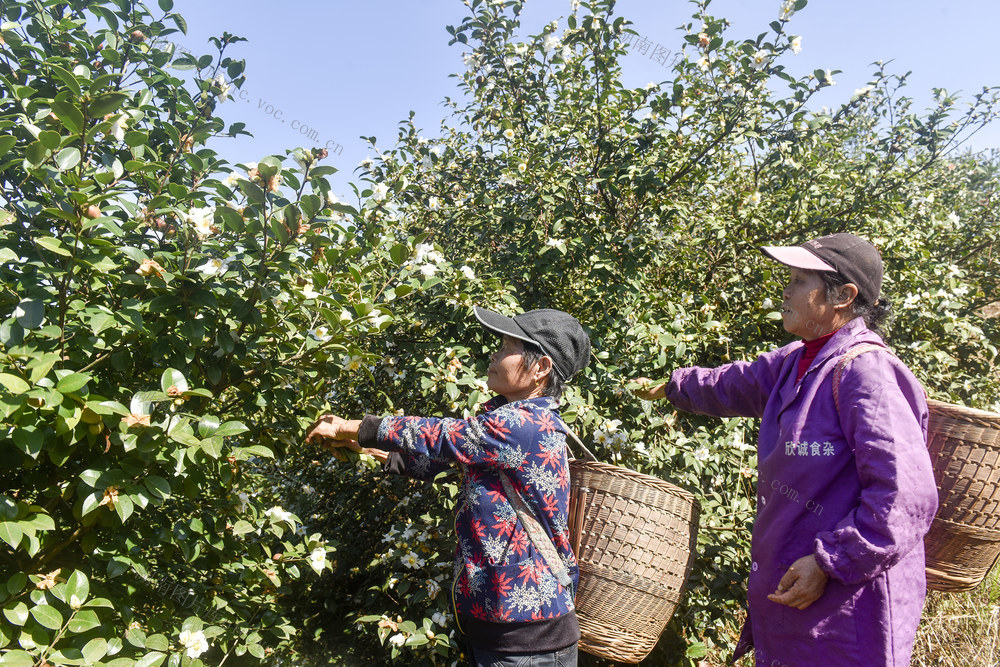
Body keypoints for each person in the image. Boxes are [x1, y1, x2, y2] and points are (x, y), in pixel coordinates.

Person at [634, 233, 938, 666]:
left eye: (799, 280)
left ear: (843, 296)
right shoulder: (799, 361)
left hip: (847, 606)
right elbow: (731, 383)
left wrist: (830, 561)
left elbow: (905, 497)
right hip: (795, 594)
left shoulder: (866, 373)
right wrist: (672, 387)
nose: (785, 289)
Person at [306, 306, 591, 667]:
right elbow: (442, 461)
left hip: (526, 644)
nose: (495, 355)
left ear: (540, 368)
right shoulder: (510, 427)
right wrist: (367, 447)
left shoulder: (525, 424)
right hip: (503, 633)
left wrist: (354, 426)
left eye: (506, 349)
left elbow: (445, 436)